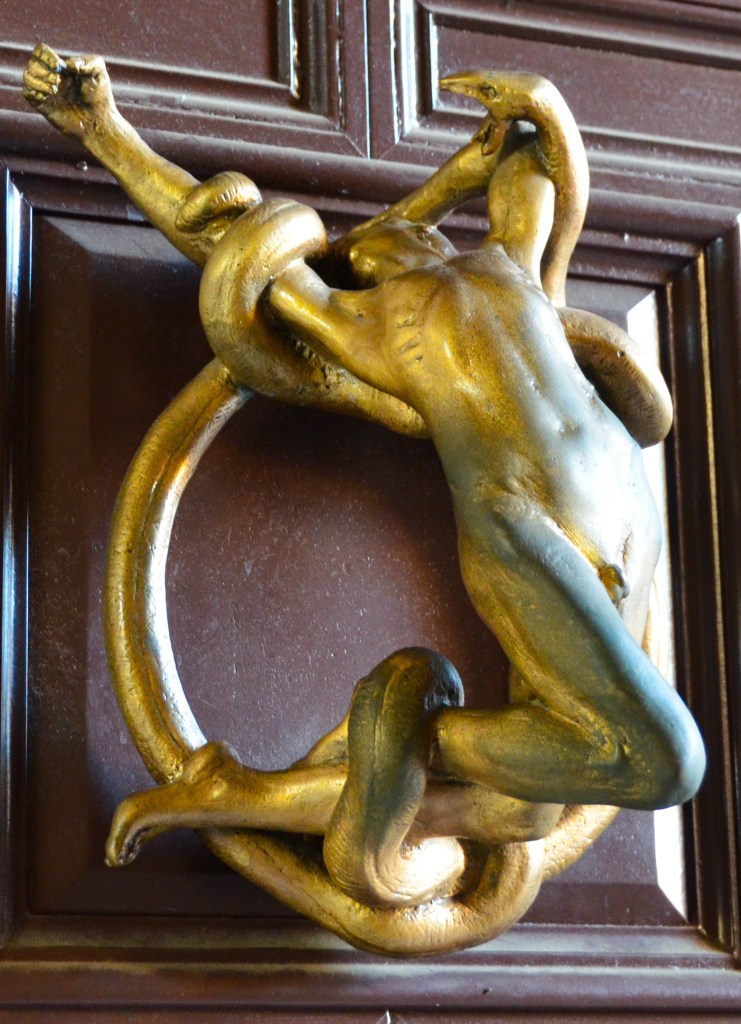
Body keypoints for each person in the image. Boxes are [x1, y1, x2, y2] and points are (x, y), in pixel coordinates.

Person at [24, 45, 705, 908]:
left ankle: (254, 789)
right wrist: (105, 132)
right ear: (362, 257)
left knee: (528, 811)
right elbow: (224, 245)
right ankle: (389, 744)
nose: (412, 227)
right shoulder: (366, 323)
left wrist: (528, 118)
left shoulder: (507, 268)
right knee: (666, 763)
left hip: (616, 522)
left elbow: (533, 173)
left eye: (422, 222)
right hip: (523, 529)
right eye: (395, 228)